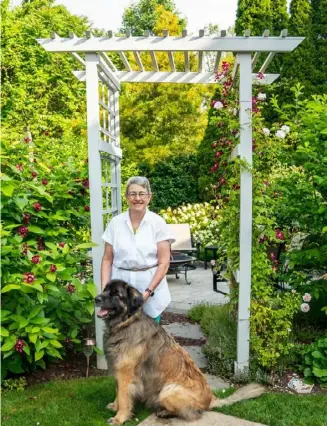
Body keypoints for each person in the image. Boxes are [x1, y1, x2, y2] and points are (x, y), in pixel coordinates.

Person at [101, 176, 175, 324]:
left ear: (149, 197)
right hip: (120, 293)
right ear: (126, 197)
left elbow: (164, 263)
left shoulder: (158, 223)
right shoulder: (115, 223)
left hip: (150, 289)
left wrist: (148, 292)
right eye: (133, 194)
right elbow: (107, 259)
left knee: (149, 339)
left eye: (142, 194)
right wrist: (105, 291)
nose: (137, 198)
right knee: (120, 336)